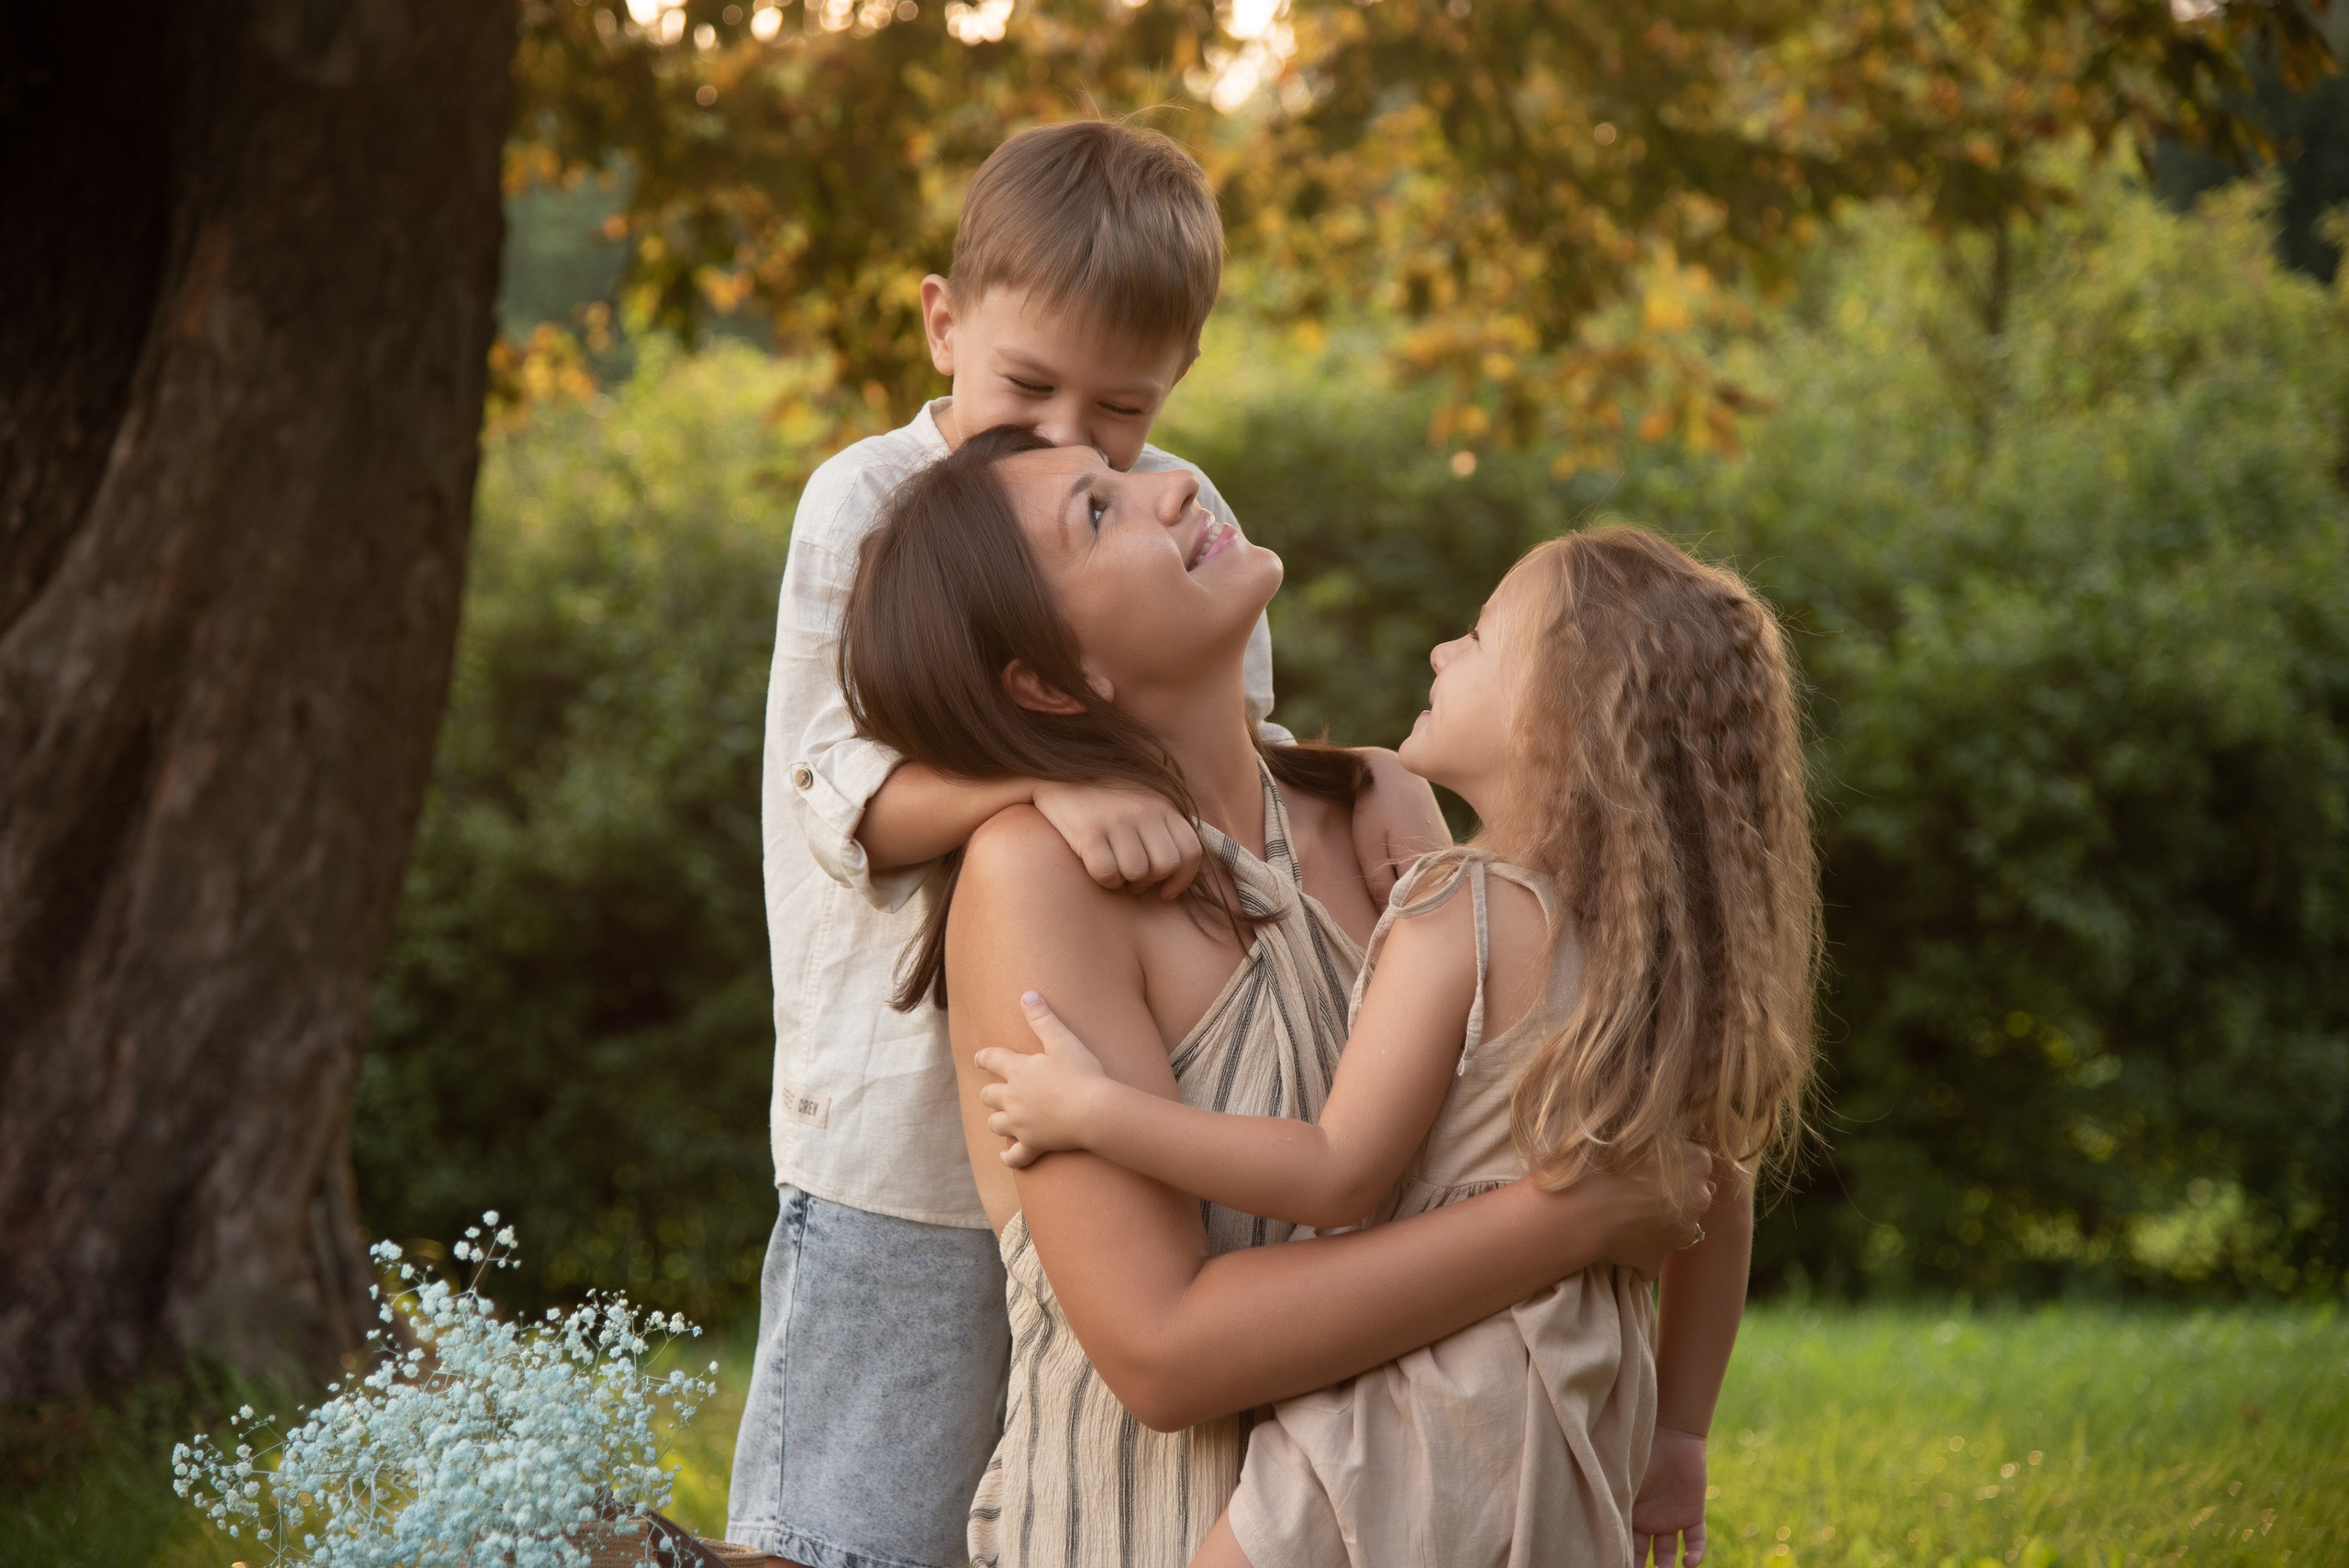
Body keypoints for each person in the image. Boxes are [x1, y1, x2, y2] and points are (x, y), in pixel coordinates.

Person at [729, 120, 1441, 1568]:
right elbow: (837, 787)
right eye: (1027, 386)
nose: (1064, 439)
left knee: (1069, 1442)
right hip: (901, 1143)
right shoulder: (867, 501)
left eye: (1118, 411)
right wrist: (1031, 794)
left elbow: (1218, 751)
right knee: (859, 1524)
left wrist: (1362, 786)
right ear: (943, 320)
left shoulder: (1179, 510)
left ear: (1174, 379)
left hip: (1110, 1074)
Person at [838, 425, 1717, 1568]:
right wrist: (1565, 1220)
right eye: (1098, 512)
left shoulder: (1384, 823)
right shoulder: (1033, 878)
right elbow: (1164, 1352)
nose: (1170, 492)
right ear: (1051, 680)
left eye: (1132, 475)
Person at [978, 525, 1823, 1568]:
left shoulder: (1459, 906)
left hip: (1411, 1420)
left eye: (1475, 638)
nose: (1439, 653)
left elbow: (1335, 1173)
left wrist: (1095, 1113)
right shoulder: (1667, 962)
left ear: (1555, 719)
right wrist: (1681, 1433)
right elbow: (1718, 1201)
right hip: (1573, 1423)